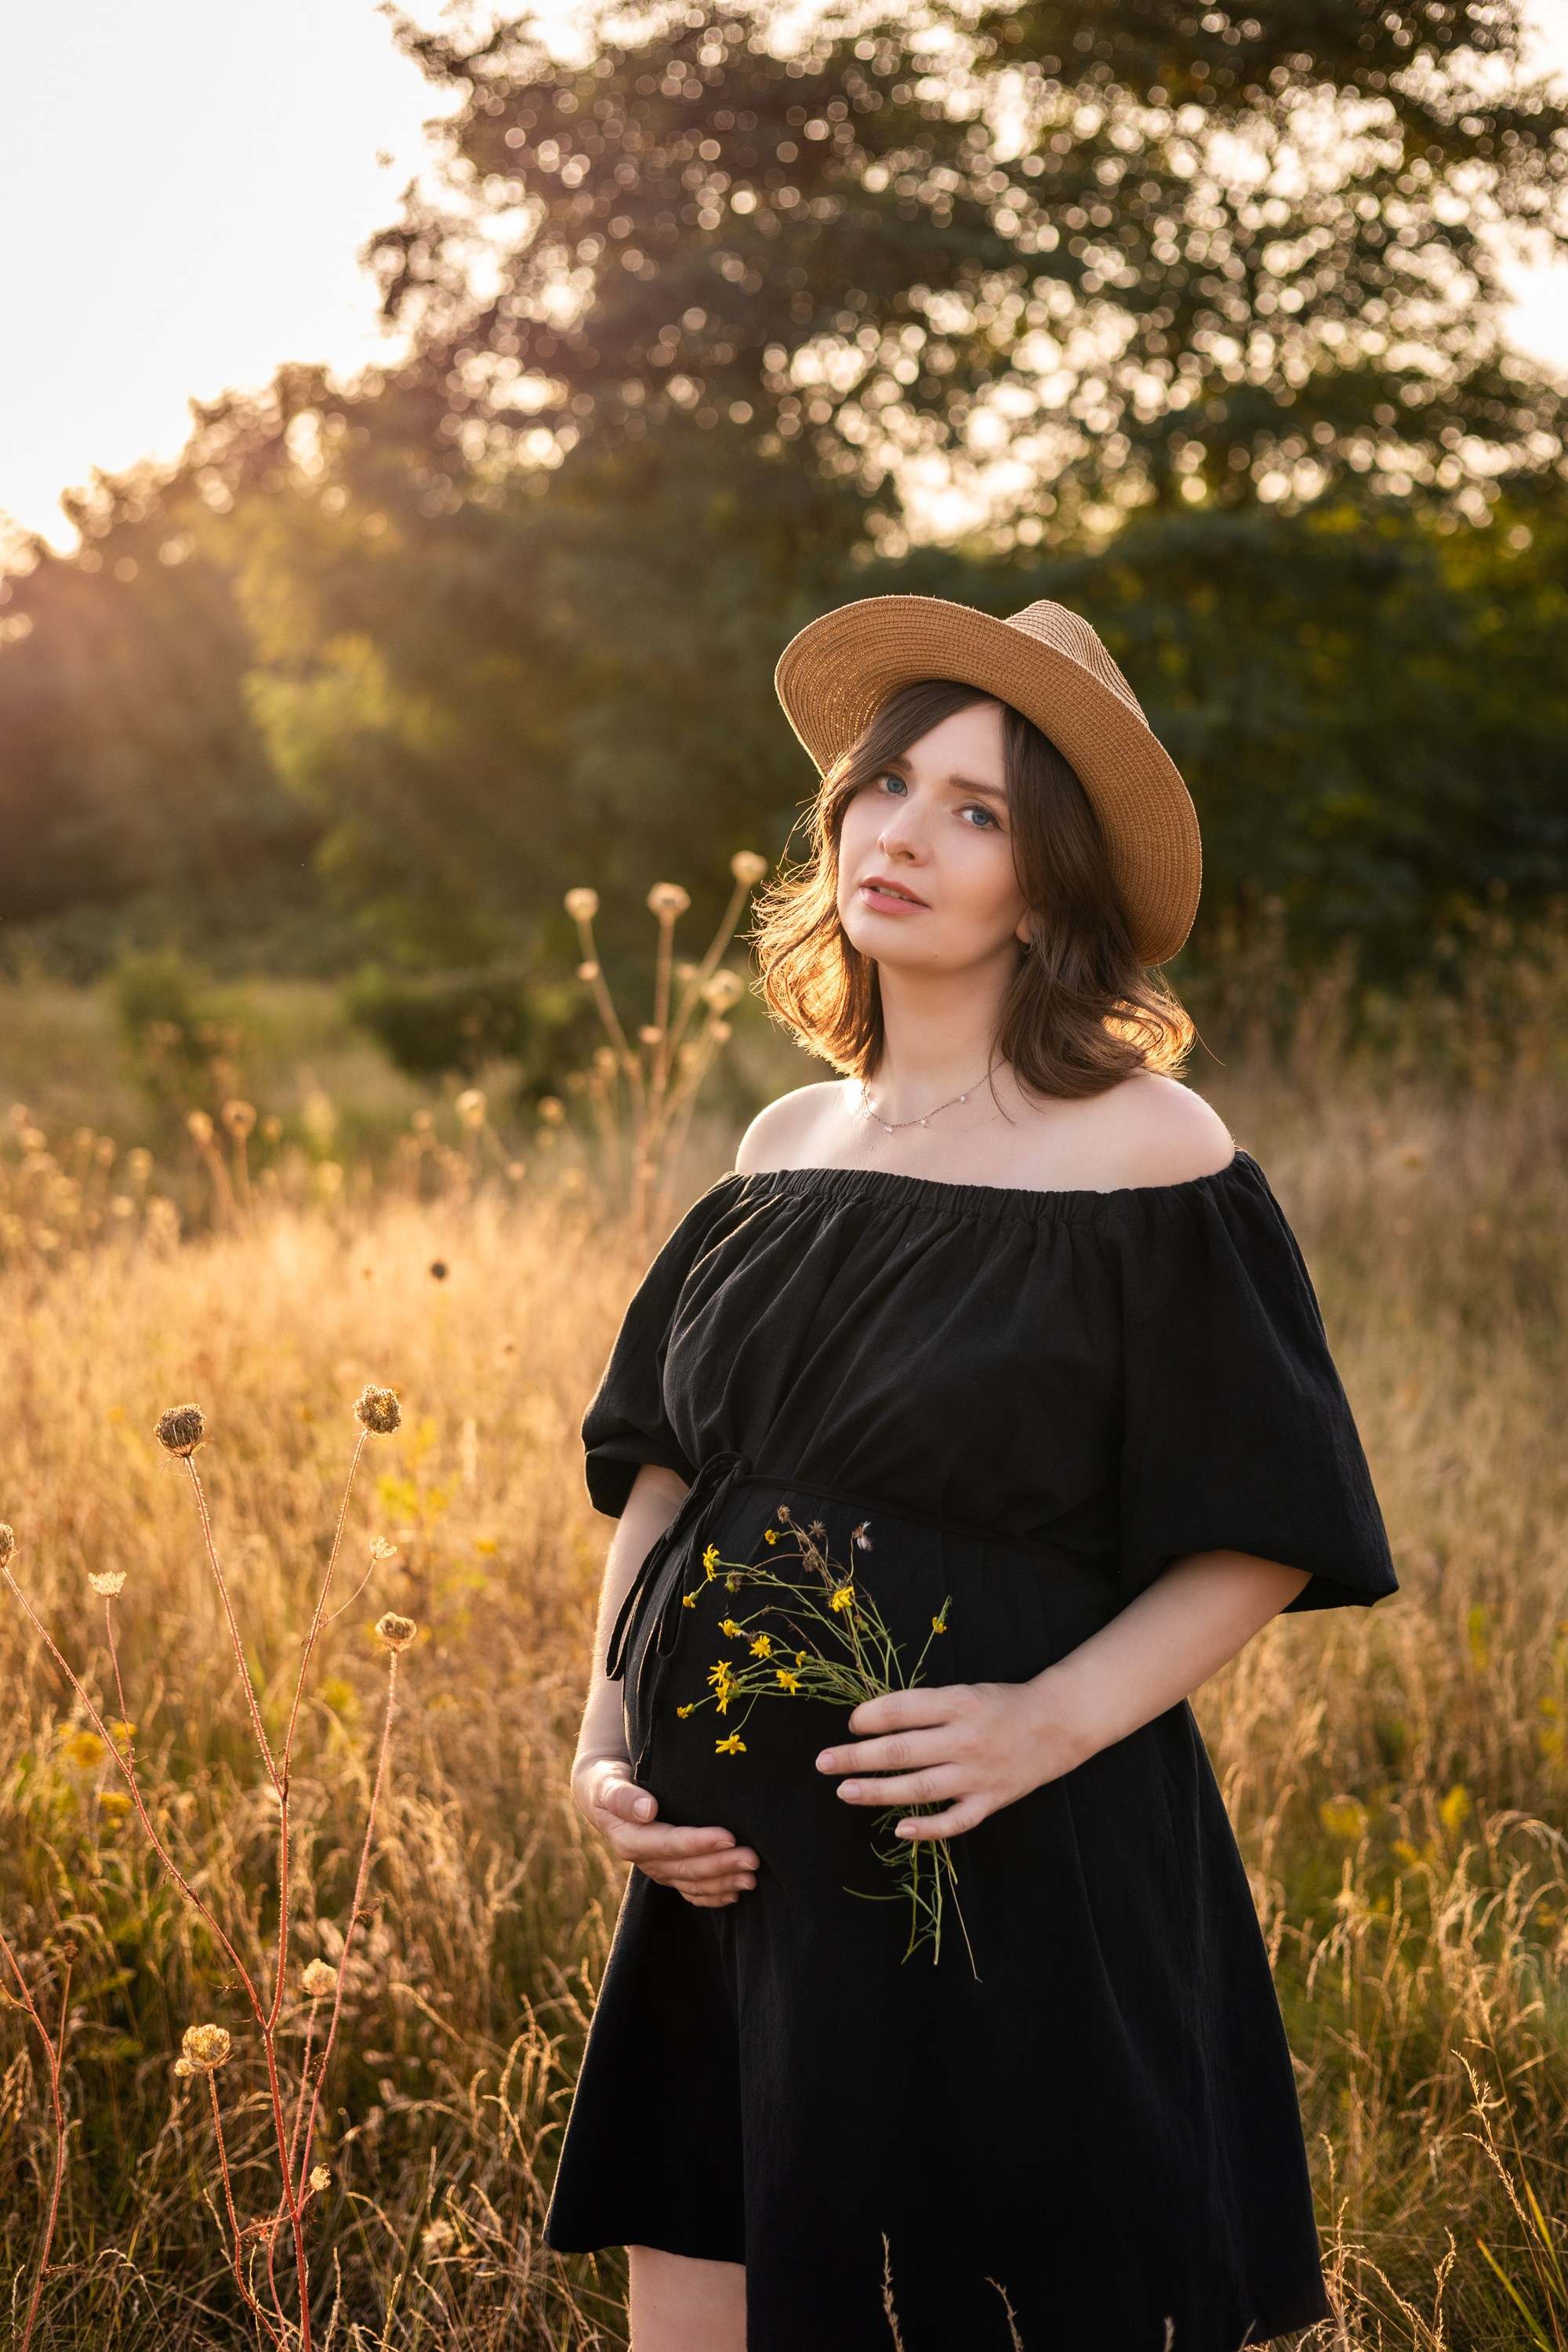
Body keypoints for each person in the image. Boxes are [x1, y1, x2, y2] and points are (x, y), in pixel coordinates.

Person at [543, 594, 1397, 2352]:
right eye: (889, 786)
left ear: (1051, 881)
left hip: (1004, 1854)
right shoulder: (783, 1145)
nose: (904, 834)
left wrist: (1043, 1724)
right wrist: (603, 1736)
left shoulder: (1147, 1152)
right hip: (733, 1878)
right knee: (705, 2297)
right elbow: (664, 1480)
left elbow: (1259, 1526)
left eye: (978, 811)